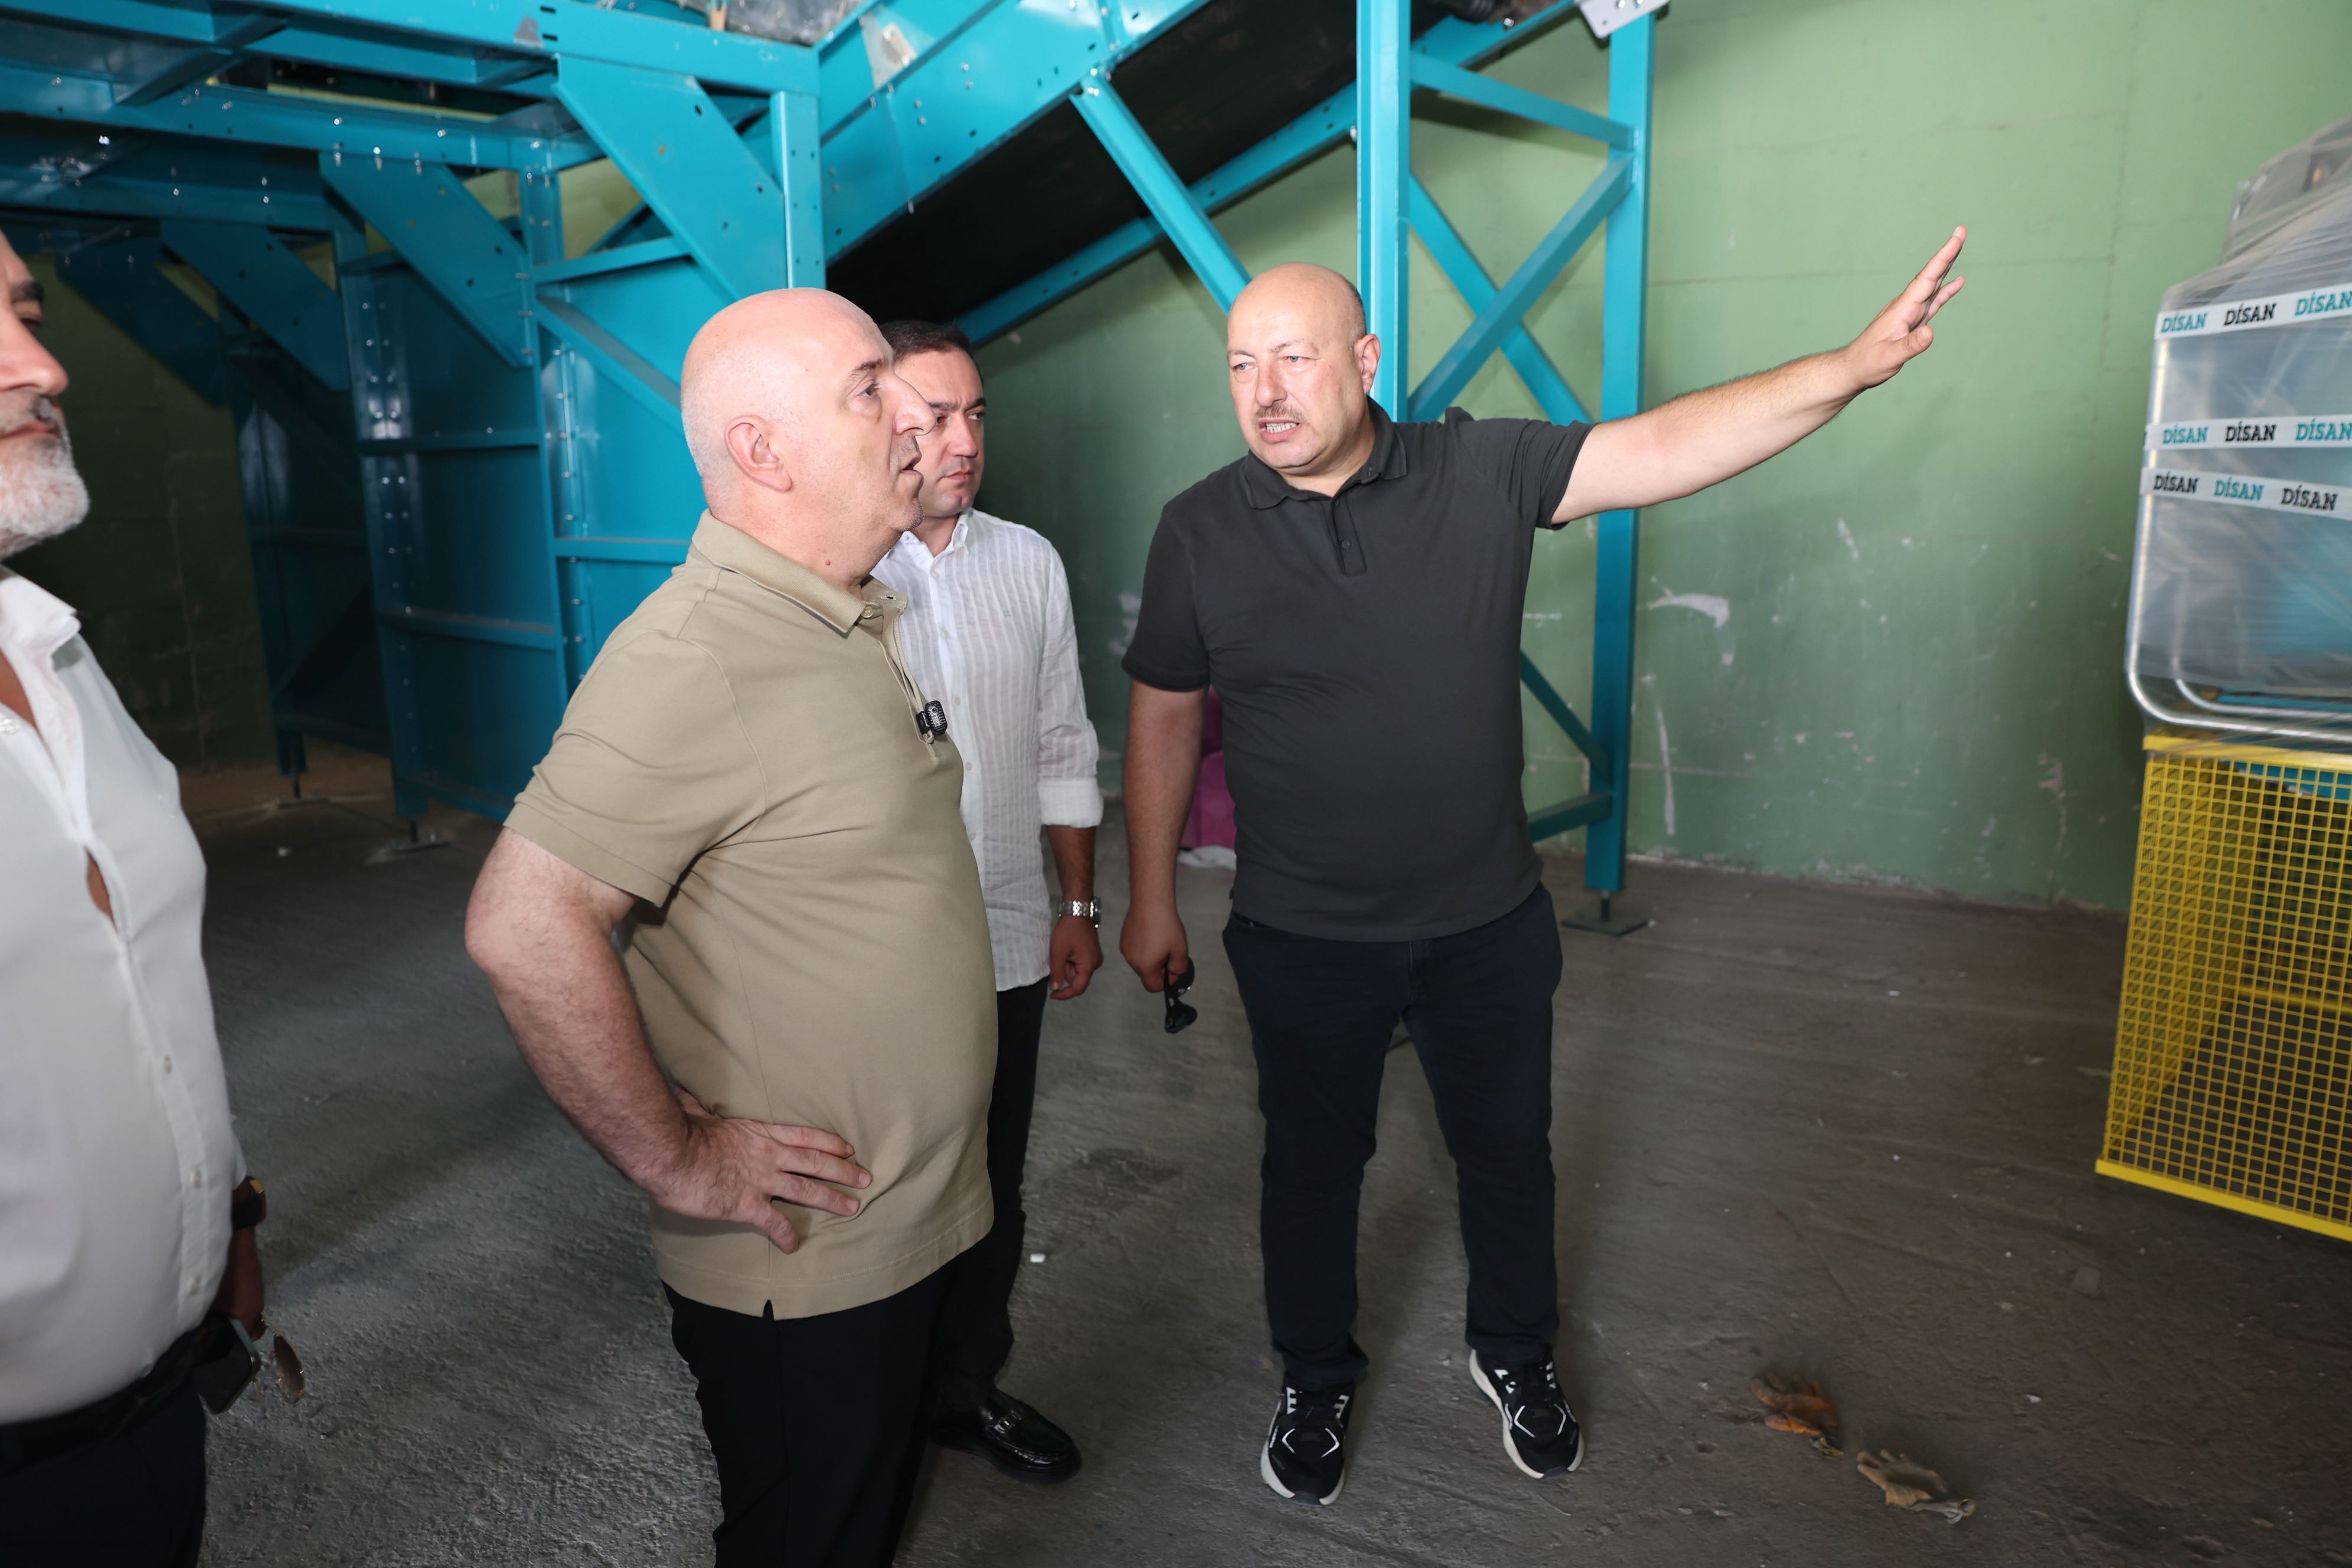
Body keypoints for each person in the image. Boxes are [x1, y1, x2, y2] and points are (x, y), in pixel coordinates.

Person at [1117, 236, 1969, 1504]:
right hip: (1302, 932)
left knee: (1510, 1154)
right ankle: (1313, 1371)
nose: (1266, 391)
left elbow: (1667, 445)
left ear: (1366, 360)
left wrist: (1846, 368)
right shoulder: (1198, 528)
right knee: (1308, 1170)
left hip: (1484, 922)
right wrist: (1147, 894)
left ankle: (1515, 1352)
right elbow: (1165, 711)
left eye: (1294, 357)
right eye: (1242, 364)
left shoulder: (1481, 468)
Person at [465, 288, 997, 1567]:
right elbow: (524, 923)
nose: (914, 416)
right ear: (764, 451)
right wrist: (681, 1158)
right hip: (812, 1262)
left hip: (908, 1223)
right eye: (870, 389)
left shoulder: (839, 608)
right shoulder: (699, 654)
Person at [0, 224, 269, 1563]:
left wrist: (224, 1206)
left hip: (159, 1414)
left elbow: (138, 987)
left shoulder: (50, 649)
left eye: (27, 315)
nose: (43, 367)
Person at [868, 319, 1100, 1484]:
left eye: (974, 415)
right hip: (882, 958)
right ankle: (875, 1415)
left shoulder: (1030, 562)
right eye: (933, 418)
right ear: (877, 426)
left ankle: (964, 1390)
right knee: (886, 1186)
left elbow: (1063, 738)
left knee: (993, 1185)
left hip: (1010, 931)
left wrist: (1079, 905)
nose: (963, 442)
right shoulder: (842, 576)